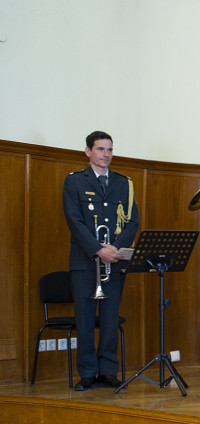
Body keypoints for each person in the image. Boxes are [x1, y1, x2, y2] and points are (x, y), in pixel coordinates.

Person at [62, 131, 139, 390]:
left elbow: (132, 221)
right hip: (85, 262)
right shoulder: (74, 182)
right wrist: (97, 249)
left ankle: (107, 370)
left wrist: (114, 247)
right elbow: (75, 220)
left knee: (109, 318)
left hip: (115, 261)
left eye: (109, 150)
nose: (106, 154)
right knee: (84, 318)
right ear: (88, 152)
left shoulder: (123, 183)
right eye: (100, 149)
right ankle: (86, 372)